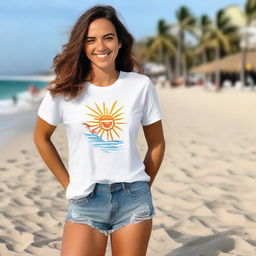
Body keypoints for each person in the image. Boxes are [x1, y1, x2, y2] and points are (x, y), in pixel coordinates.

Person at [33, 4, 165, 256]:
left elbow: (157, 143)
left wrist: (143, 188)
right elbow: (41, 137)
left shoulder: (140, 85)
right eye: (91, 40)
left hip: (133, 198)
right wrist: (68, 184)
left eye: (108, 37)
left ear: (120, 42)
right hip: (84, 199)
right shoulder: (64, 90)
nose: (100, 46)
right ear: (82, 46)